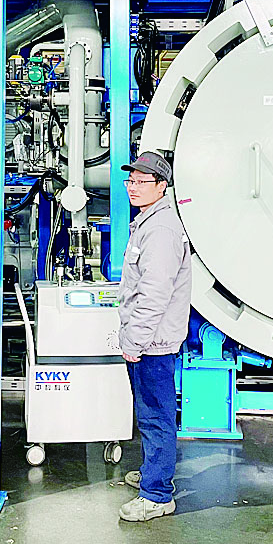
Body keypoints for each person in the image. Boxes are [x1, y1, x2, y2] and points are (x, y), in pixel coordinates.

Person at [116, 151, 192, 523]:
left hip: (152, 344)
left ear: (162, 186)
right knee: (149, 414)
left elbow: (154, 294)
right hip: (149, 339)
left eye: (142, 182)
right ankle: (153, 473)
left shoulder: (160, 230)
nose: (133, 187)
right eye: (130, 181)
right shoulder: (148, 223)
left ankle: (157, 495)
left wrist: (135, 341)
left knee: (156, 417)